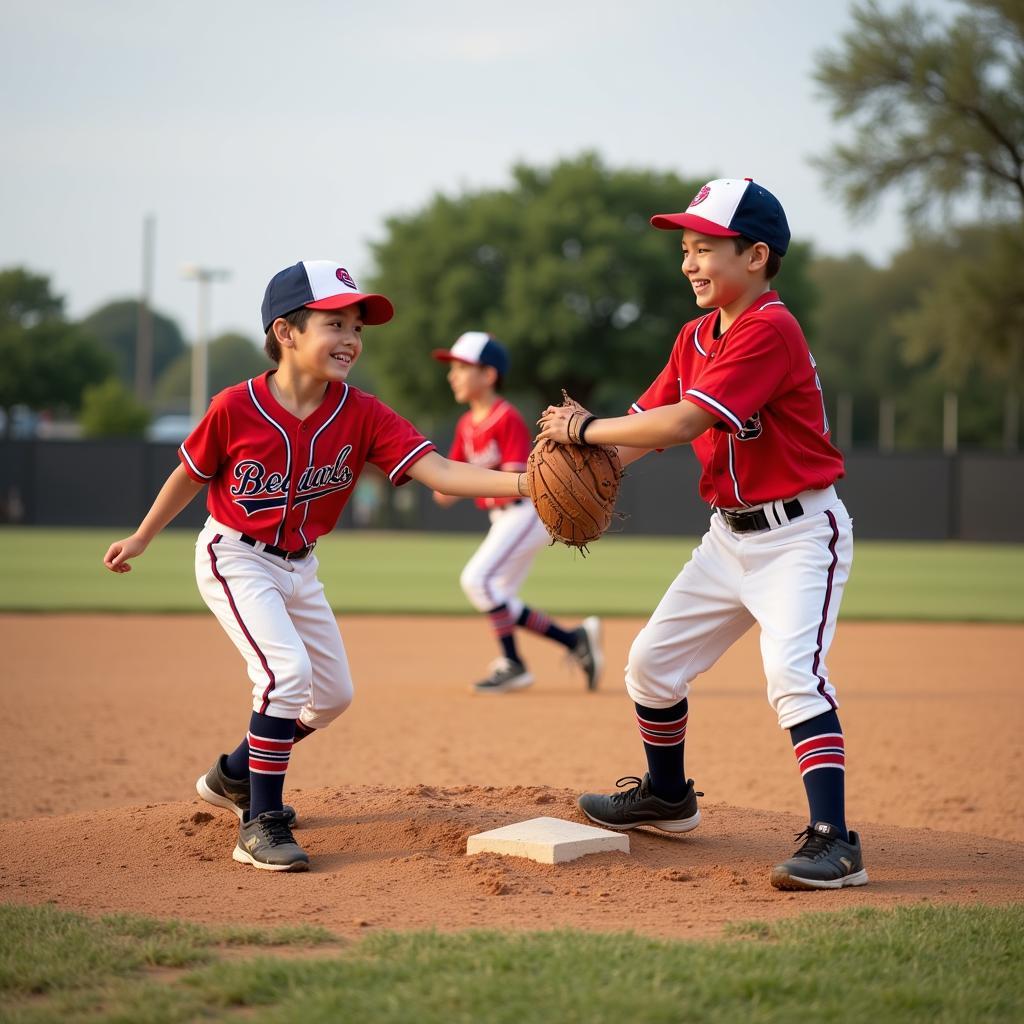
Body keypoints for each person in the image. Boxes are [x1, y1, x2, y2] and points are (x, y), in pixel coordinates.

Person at [103, 260, 530, 872]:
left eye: (357, 326)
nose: (352, 338)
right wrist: (143, 537)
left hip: (300, 565)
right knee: (285, 673)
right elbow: (190, 474)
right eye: (335, 323)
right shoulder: (236, 406)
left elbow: (438, 470)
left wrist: (524, 482)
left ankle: (234, 772)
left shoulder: (361, 413)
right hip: (237, 556)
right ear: (286, 332)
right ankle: (260, 821)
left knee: (330, 695)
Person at [536, 178, 867, 892]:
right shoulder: (694, 338)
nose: (689, 261)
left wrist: (584, 428)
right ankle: (668, 796)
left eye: (704, 247)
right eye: (684, 248)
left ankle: (836, 841)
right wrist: (555, 474)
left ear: (755, 255)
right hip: (729, 540)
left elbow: (684, 424)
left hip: (799, 536)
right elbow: (639, 434)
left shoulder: (769, 328)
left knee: (793, 677)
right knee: (651, 665)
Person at [431, 331, 603, 694]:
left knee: (477, 580)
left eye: (462, 367)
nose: (452, 375)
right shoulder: (466, 425)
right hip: (503, 519)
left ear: (489, 375)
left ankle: (514, 663)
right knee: (499, 597)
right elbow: (444, 489)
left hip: (525, 512)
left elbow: (514, 475)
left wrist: (464, 480)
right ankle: (574, 640)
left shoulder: (505, 417)